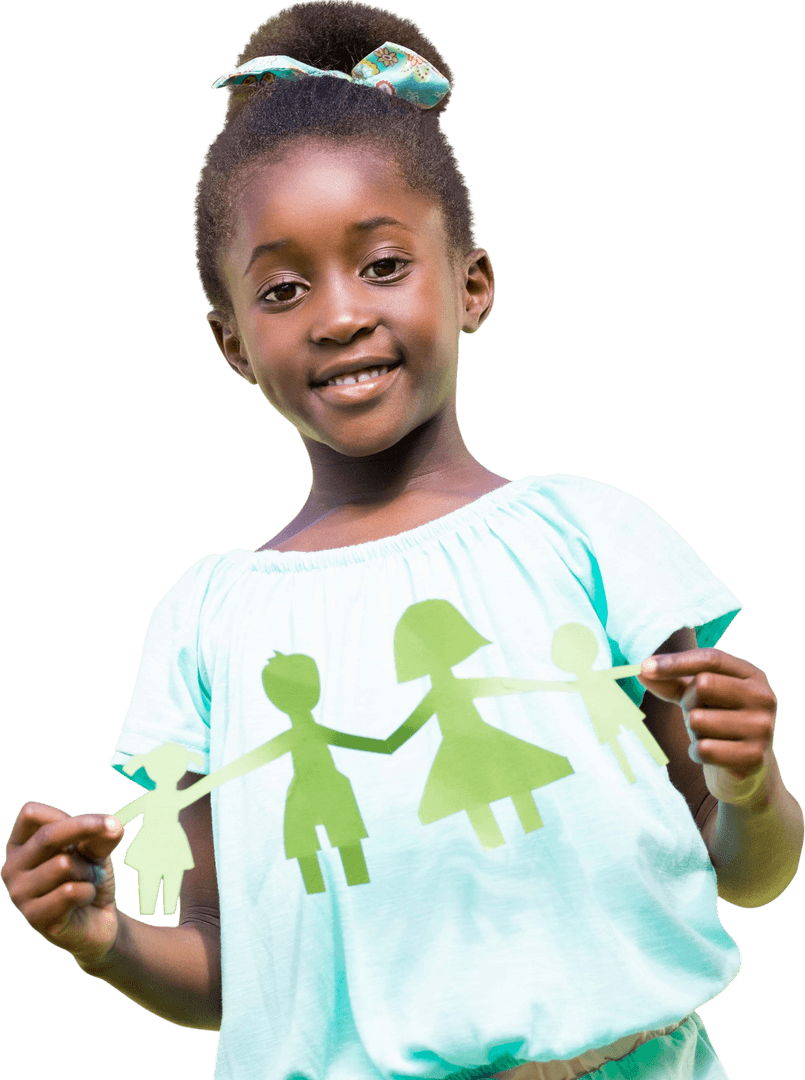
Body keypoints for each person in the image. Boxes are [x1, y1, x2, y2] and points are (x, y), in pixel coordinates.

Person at [3, 2, 801, 1078]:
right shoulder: (208, 622)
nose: (337, 316)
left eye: (382, 265)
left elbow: (743, 873)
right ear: (233, 345)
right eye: (284, 290)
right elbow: (231, 967)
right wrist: (102, 937)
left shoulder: (589, 536)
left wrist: (751, 788)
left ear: (470, 283)